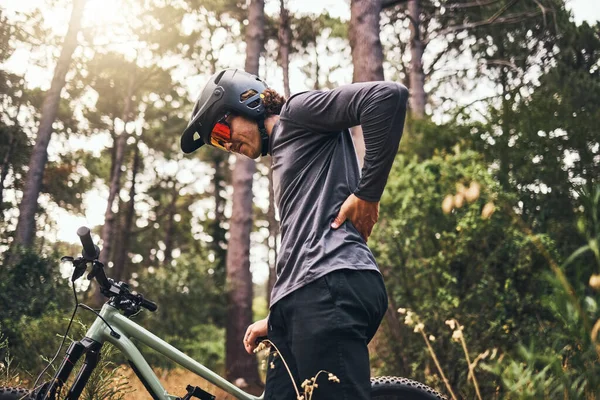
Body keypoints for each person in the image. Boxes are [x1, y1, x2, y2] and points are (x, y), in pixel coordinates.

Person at [181, 68, 408, 400]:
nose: (226, 144)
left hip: (329, 286)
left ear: (246, 100)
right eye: (217, 142)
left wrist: (367, 194)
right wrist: (278, 315)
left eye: (220, 129)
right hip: (301, 300)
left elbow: (386, 97)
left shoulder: (297, 113)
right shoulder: (287, 153)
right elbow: (303, 239)